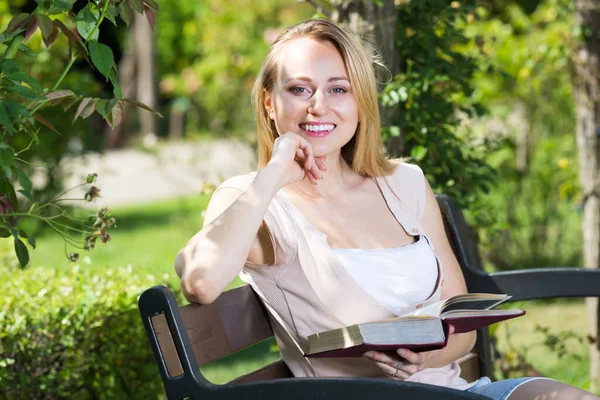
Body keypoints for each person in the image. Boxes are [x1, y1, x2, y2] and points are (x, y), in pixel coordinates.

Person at [175, 19, 598, 400]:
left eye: (338, 89)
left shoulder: (404, 183)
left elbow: (460, 327)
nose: (318, 105)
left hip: (461, 392)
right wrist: (275, 172)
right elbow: (200, 282)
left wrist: (425, 360)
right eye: (299, 89)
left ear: (360, 103)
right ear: (270, 103)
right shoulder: (252, 198)